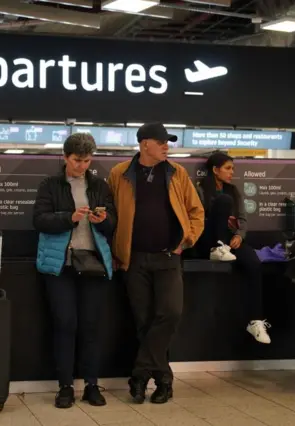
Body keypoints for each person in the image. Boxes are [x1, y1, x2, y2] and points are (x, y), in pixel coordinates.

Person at [107, 123, 204, 404]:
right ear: (144, 143)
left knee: (170, 314)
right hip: (133, 259)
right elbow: (112, 216)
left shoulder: (177, 173)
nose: (166, 146)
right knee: (144, 322)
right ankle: (163, 381)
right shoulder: (120, 174)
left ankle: (138, 375)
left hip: (168, 257)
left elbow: (196, 212)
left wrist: (185, 241)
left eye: (167, 142)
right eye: (161, 142)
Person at [33, 133, 117, 409]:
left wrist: (103, 220)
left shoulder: (99, 186)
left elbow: (112, 224)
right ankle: (65, 386)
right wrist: (69, 218)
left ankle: (91, 384)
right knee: (65, 324)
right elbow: (40, 220)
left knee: (92, 327)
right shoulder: (50, 185)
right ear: (66, 157)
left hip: (93, 263)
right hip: (61, 266)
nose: (82, 165)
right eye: (77, 160)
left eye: (87, 160)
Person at [197, 152, 271, 344]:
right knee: (223, 202)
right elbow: (197, 218)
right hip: (207, 240)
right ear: (215, 170)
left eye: (233, 168)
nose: (232, 172)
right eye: (228, 168)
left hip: (231, 240)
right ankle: (218, 248)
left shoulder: (234, 190)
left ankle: (255, 321)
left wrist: (239, 235)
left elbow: (242, 219)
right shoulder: (200, 189)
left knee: (254, 263)